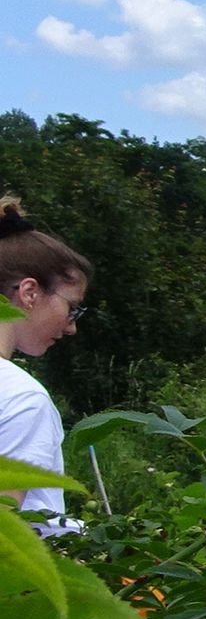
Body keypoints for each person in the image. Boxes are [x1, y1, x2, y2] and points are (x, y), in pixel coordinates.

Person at [0, 195, 92, 538]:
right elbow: (7, 536)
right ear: (29, 292)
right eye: (73, 308)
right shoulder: (21, 398)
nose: (71, 326)